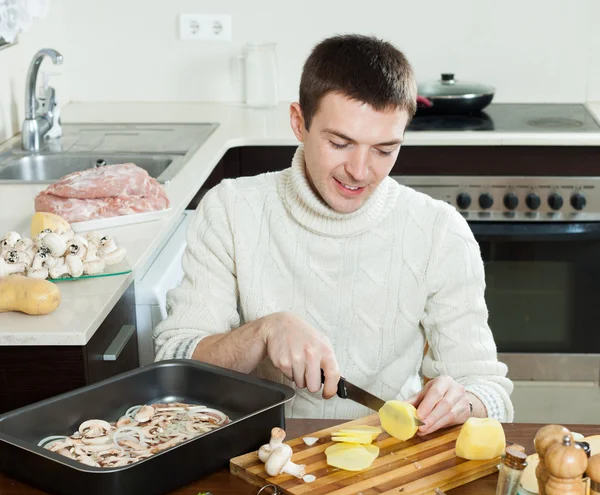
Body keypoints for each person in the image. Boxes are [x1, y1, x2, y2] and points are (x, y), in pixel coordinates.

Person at [154, 34, 514, 435]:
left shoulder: (439, 231)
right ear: (298, 123)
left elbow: (493, 393)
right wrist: (264, 331)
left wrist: (464, 400)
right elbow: (174, 365)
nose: (360, 171)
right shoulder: (230, 209)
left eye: (384, 149)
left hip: (384, 463)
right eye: (340, 143)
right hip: (256, 453)